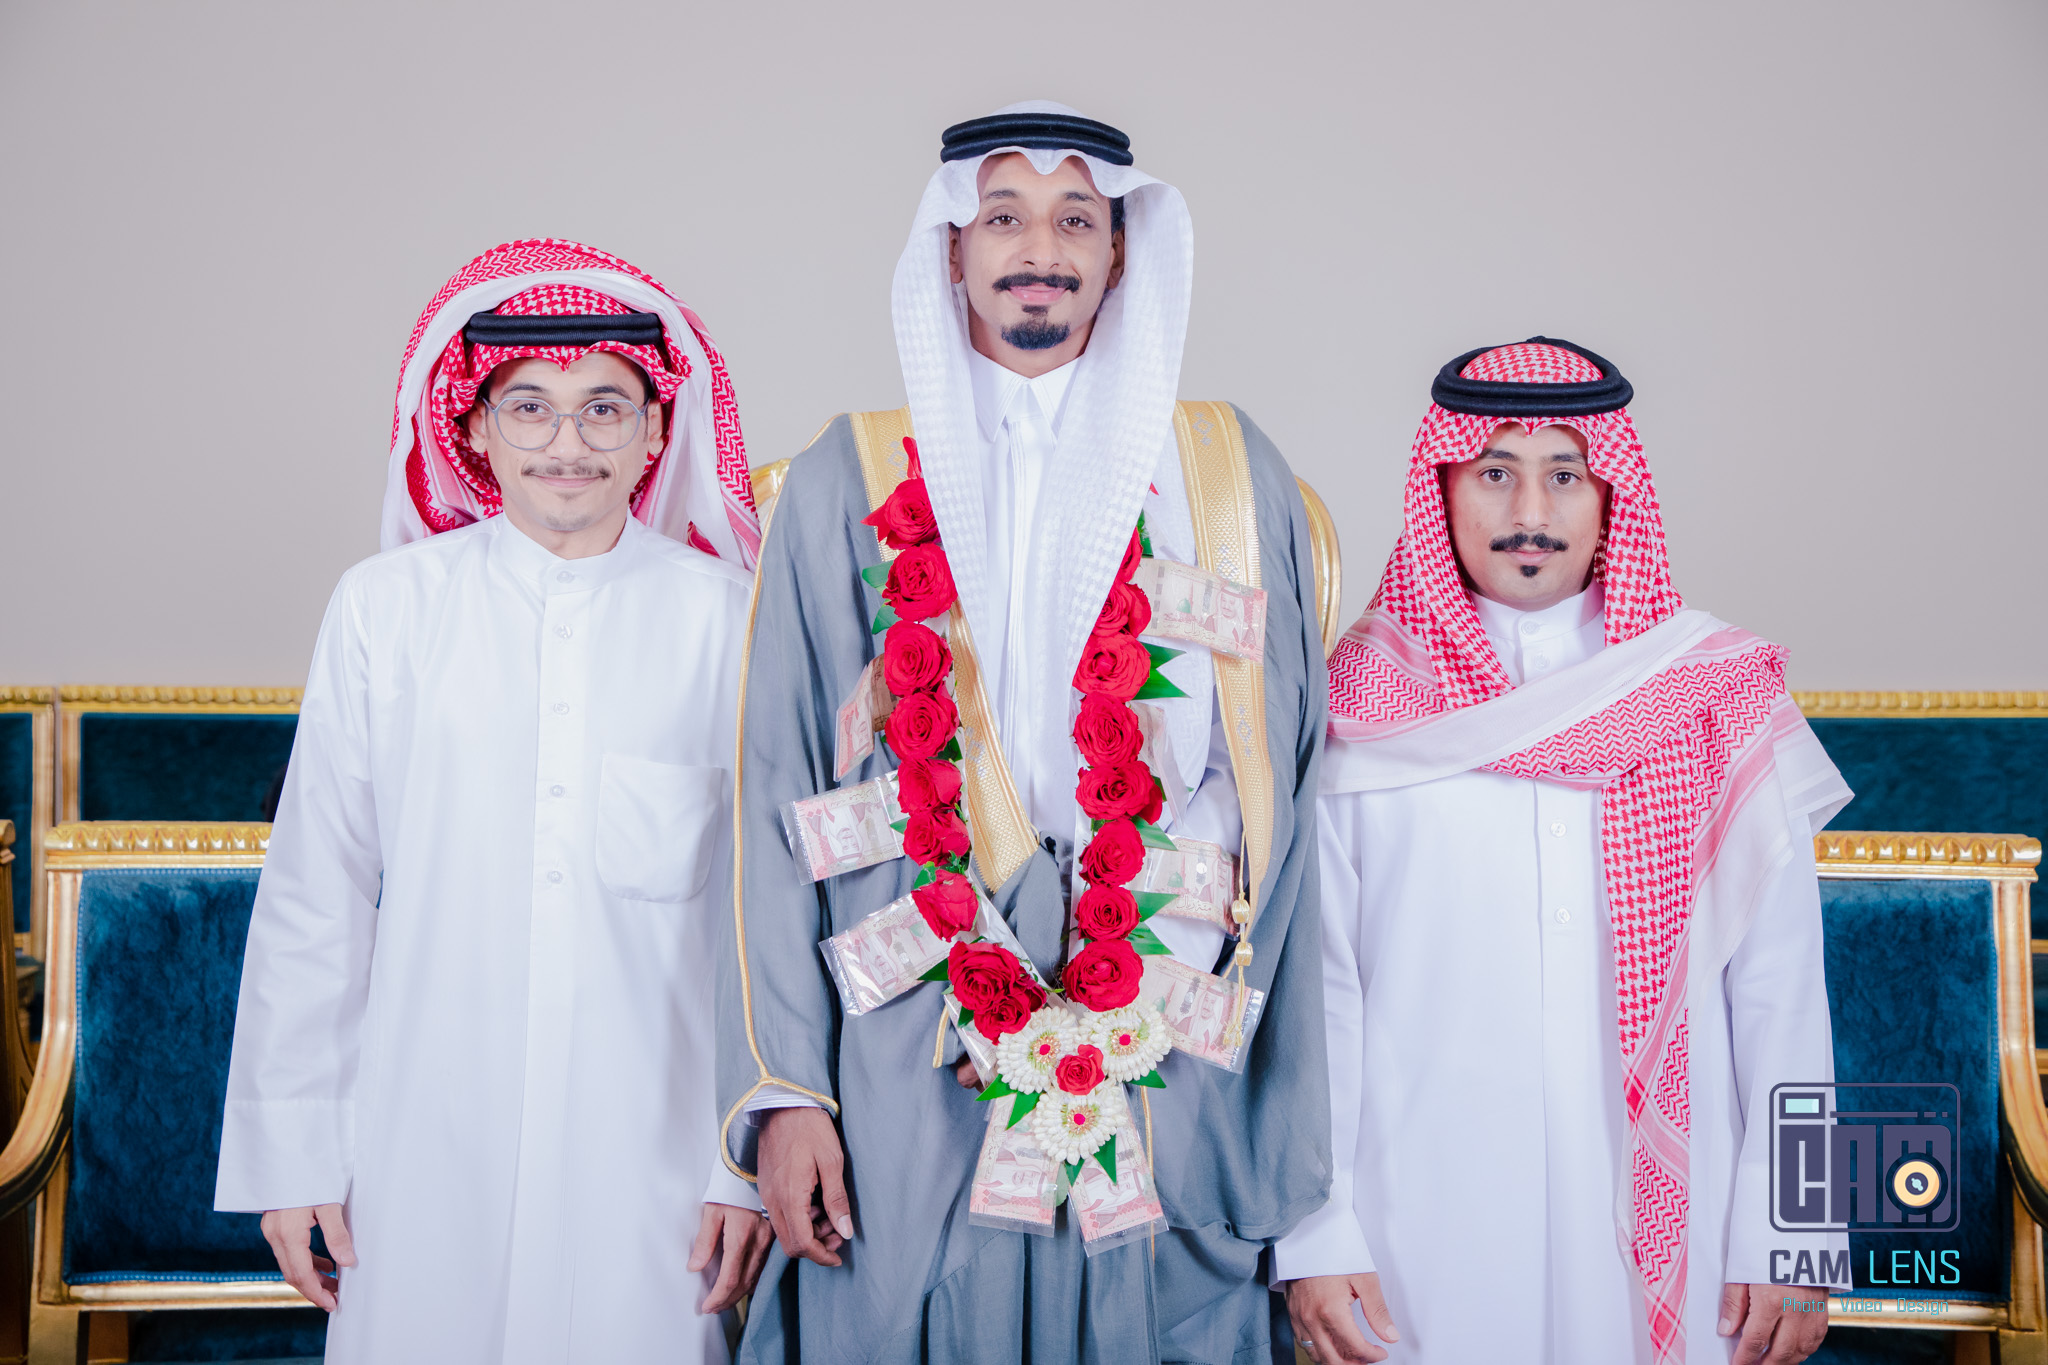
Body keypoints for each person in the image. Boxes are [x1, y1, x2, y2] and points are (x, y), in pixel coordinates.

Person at [719, 104, 1333, 1364]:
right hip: (902, 1035)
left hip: (1154, 1022)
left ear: (1120, 251)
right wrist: (788, 1092)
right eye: (1001, 217)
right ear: (951, 250)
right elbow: (777, 791)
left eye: (1073, 220)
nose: (1037, 249)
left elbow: (1273, 787)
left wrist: (1136, 993)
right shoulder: (844, 477)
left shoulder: (1223, 473)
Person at [215, 239, 775, 1364]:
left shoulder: (731, 620)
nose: (567, 444)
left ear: (656, 431)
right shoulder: (384, 610)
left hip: (656, 1153)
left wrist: (741, 1166)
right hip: (421, 1139)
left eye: (604, 409)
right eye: (530, 409)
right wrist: (296, 1154)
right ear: (473, 429)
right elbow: (318, 894)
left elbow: (760, 924)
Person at [1276, 339, 1842, 1364]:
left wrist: (1797, 1233)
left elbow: (1783, 995)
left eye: (1565, 475)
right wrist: (1315, 1234)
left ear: (1612, 494)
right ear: (1442, 489)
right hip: (1419, 1227)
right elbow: (1320, 1004)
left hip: (1681, 1222)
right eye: (1494, 471)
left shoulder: (1709, 697)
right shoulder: (1353, 704)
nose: (1529, 510)